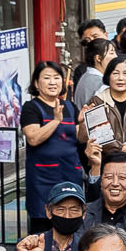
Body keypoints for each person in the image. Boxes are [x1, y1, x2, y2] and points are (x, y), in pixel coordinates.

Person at [19, 61, 83, 214]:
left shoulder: (69, 106)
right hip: (43, 179)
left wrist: (84, 122)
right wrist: (55, 121)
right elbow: (33, 138)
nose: (53, 82)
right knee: (43, 225)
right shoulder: (31, 108)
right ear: (36, 83)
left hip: (70, 174)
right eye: (47, 78)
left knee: (71, 219)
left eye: (57, 77)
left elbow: (81, 139)